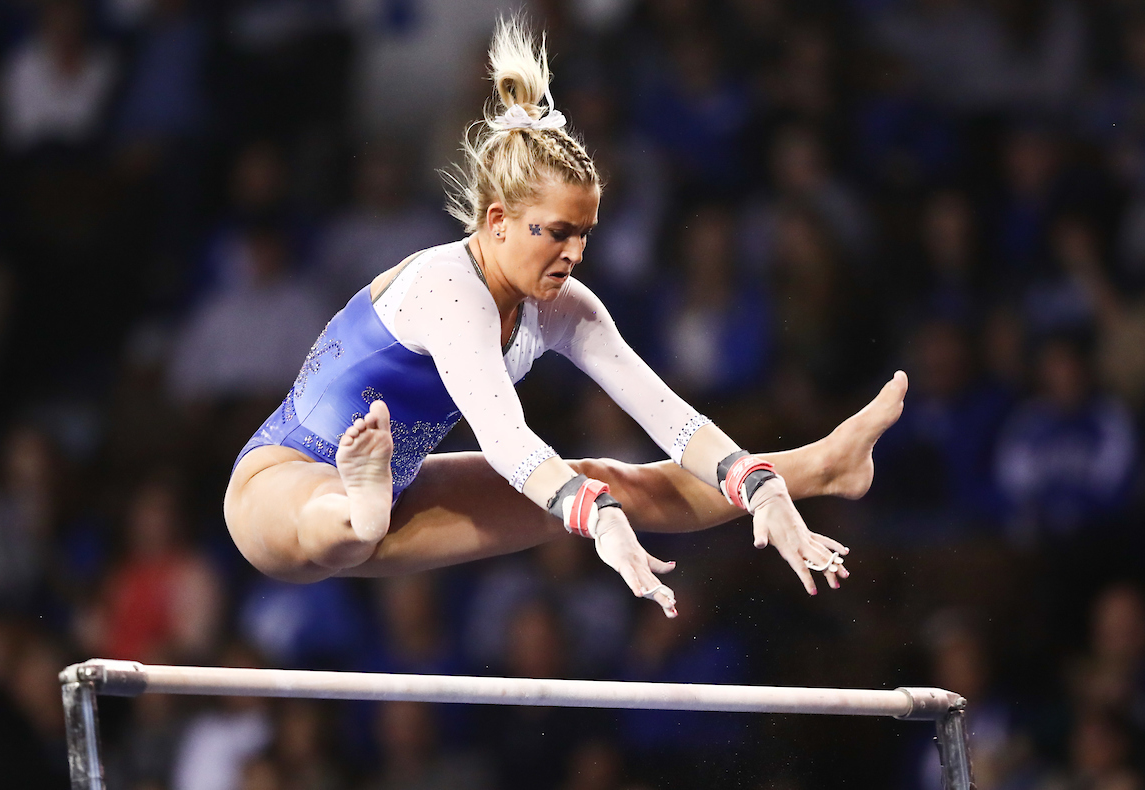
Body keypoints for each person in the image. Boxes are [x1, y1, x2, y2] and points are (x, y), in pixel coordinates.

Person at [224, 18, 907, 619]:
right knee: (334, 523)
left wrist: (758, 488)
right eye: (556, 232)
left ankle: (818, 467)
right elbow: (505, 438)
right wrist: (595, 518)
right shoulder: (445, 287)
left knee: (612, 477)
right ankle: (358, 510)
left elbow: (672, 419)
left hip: (395, 495)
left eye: (585, 233)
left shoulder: (564, 306)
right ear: (497, 221)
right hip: (282, 483)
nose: (575, 253)